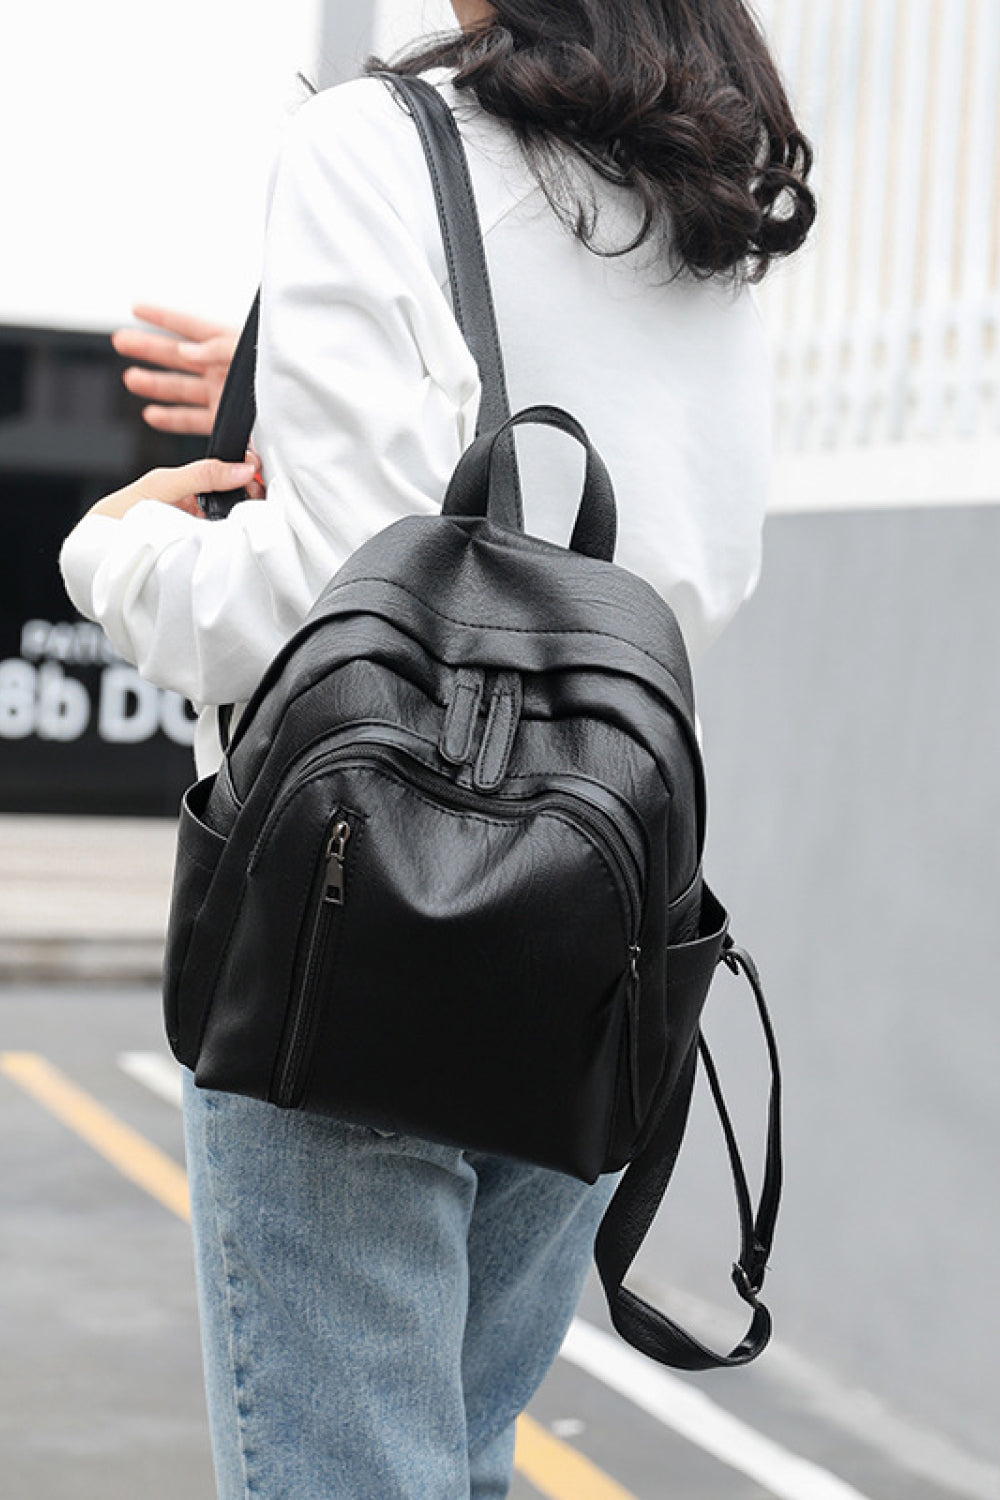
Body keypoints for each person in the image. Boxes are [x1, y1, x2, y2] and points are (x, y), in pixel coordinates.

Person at [60, 2, 815, 1495]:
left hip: (368, 911)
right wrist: (290, 381)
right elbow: (697, 562)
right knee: (458, 1459)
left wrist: (116, 557)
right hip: (604, 908)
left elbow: (326, 594)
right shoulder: (701, 178)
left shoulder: (375, 142)